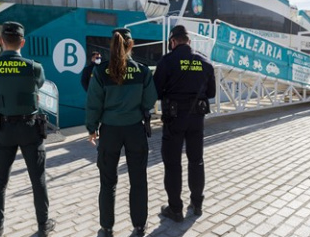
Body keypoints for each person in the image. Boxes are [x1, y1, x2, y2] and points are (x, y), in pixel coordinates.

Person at [0, 21, 56, 237]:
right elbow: (39, 84)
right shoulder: (34, 68)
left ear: (1, 41)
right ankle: (43, 226)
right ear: (22, 42)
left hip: (2, 129)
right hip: (30, 129)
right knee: (38, 180)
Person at [85, 28, 157, 237]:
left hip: (109, 132)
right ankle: (139, 226)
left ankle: (107, 228)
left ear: (112, 44)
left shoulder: (101, 71)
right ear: (131, 45)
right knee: (138, 179)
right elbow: (150, 99)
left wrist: (92, 128)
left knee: (107, 181)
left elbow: (93, 103)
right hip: (135, 129)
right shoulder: (142, 70)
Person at [153, 25, 216, 222]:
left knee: (173, 164)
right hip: (197, 118)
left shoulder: (167, 61)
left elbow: (155, 91)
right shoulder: (205, 62)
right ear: (189, 41)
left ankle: (175, 209)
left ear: (173, 41)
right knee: (196, 160)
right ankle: (196, 204)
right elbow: (212, 93)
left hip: (174, 119)